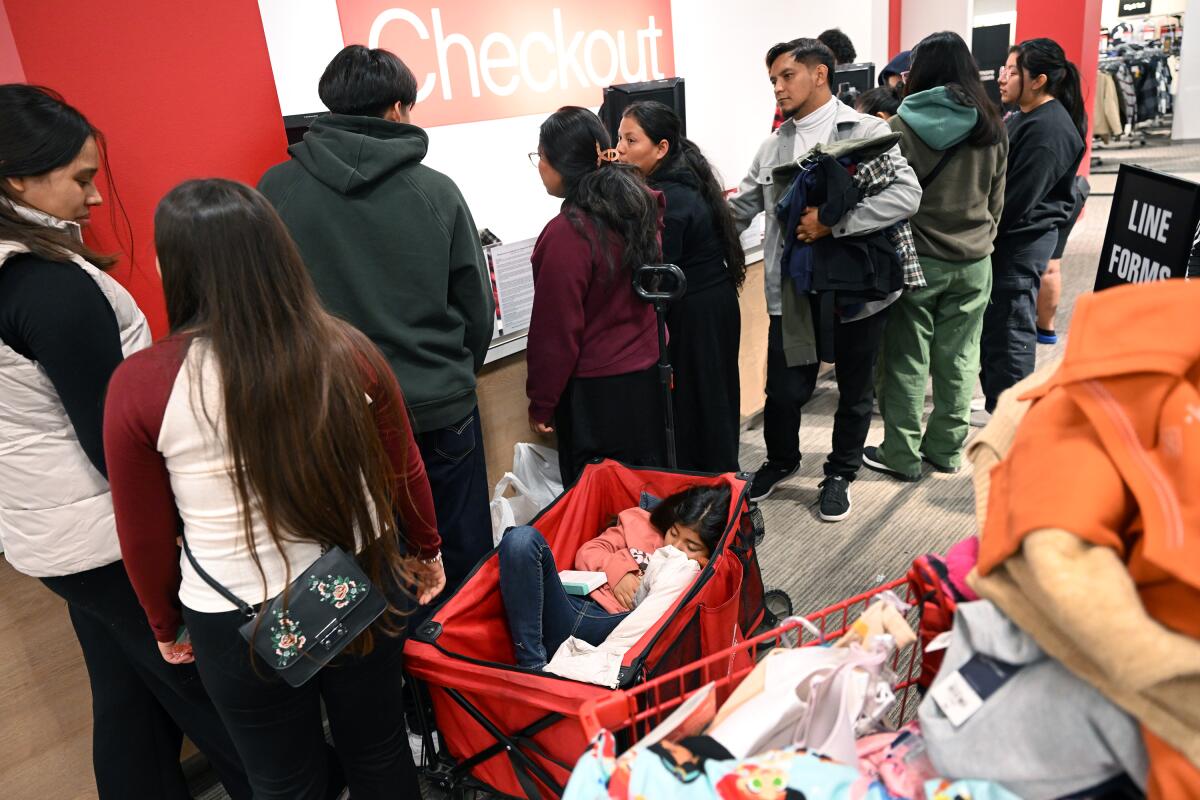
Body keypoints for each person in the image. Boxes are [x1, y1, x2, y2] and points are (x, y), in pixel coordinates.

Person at [104, 179, 447, 800]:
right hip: (359, 580)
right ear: (277, 251)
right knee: (379, 750)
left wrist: (163, 622)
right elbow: (404, 469)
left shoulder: (141, 385)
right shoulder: (347, 349)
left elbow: (143, 533)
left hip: (234, 613)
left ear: (168, 265)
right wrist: (425, 548)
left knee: (282, 782)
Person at [0, 85, 251, 799]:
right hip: (105, 538)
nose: (98, 197)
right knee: (216, 702)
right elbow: (114, 443)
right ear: (18, 176)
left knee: (129, 705)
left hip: (54, 535)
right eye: (80, 178)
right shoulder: (50, 288)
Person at [258, 45, 495, 591]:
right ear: (395, 110)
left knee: (362, 563)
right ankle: (463, 670)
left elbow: (266, 305)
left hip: (330, 412)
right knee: (460, 555)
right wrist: (453, 374)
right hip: (436, 405)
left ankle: (397, 674)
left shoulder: (274, 191)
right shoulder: (436, 190)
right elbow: (475, 309)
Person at [730, 39, 922, 521]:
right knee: (784, 391)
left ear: (819, 74)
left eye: (786, 76)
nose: (777, 87)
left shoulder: (863, 131)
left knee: (855, 390)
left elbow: (907, 195)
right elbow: (740, 209)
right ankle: (781, 461)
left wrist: (835, 224)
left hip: (857, 290)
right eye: (772, 79)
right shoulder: (773, 146)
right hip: (793, 295)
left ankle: (840, 473)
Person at [861, 32, 1008, 481]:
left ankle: (902, 454)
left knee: (905, 359)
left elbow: (880, 198)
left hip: (916, 262)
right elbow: (996, 199)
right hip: (975, 259)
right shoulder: (993, 126)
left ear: (918, 73)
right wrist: (980, 240)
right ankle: (945, 449)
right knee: (961, 357)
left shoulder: (897, 129)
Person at [526, 106, 666, 485]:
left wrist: (542, 401)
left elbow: (555, 334)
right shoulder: (638, 208)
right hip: (648, 376)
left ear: (562, 164)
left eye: (540, 156)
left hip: (598, 395)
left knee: (600, 502)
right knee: (647, 490)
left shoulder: (568, 234)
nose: (538, 165)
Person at [615, 101, 745, 473]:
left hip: (695, 313)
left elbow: (656, 276)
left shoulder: (668, 199)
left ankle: (715, 498)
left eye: (630, 139)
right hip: (710, 304)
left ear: (661, 148)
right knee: (712, 402)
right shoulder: (683, 181)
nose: (620, 148)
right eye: (619, 137)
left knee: (703, 407)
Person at [498, 484, 730, 669]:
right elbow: (588, 552)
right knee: (520, 540)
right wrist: (620, 570)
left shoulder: (698, 569)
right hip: (572, 607)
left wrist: (698, 567)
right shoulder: (639, 522)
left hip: (617, 631)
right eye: (674, 533)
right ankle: (532, 667)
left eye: (691, 545)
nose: (676, 546)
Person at [981, 38, 1086, 413]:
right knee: (997, 327)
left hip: (1020, 242)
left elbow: (1017, 199)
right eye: (1003, 70)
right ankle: (999, 400)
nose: (1002, 78)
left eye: (1012, 71)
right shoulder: (1025, 115)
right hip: (1009, 240)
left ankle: (1012, 413)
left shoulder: (1049, 129)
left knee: (1010, 329)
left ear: (1038, 79)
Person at [1037, 175, 1089, 344]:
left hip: (1043, 196)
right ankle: (1046, 327)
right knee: (1052, 266)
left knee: (1047, 265)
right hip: (1071, 191)